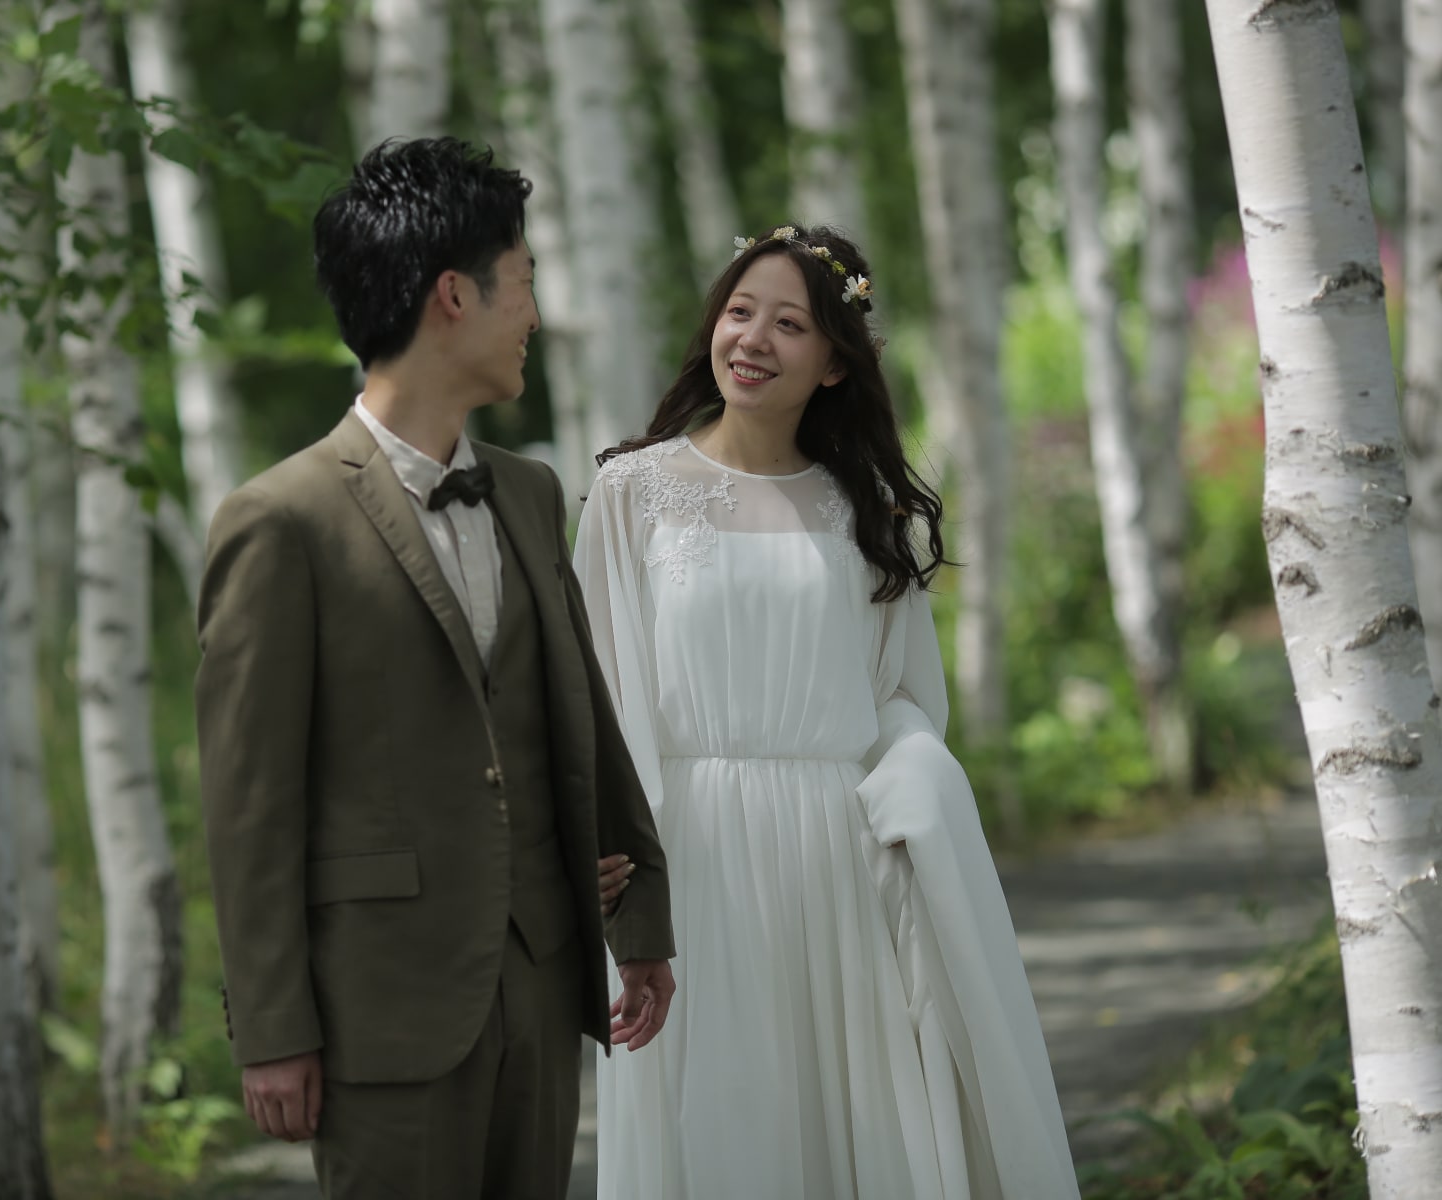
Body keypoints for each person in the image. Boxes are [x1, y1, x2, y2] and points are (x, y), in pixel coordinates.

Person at [193, 137, 677, 1200]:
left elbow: (578, 712)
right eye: (525, 282)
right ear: (455, 295)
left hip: (540, 984)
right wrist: (273, 1029)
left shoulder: (530, 493)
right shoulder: (280, 520)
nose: (534, 316)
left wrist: (638, 913)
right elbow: (249, 805)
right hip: (382, 1009)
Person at [574, 225, 1079, 1198]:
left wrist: (917, 797)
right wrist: (615, 866)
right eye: (739, 311)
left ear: (836, 363)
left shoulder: (867, 511)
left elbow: (902, 699)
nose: (753, 339)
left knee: (854, 1119)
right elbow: (599, 696)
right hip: (688, 855)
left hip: (837, 860)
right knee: (716, 1125)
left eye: (790, 324)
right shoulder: (631, 492)